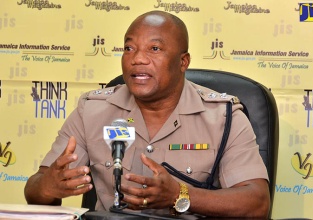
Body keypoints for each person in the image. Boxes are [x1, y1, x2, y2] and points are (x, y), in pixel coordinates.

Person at [24, 10, 270, 218]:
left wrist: (178, 195)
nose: (137, 59)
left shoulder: (223, 117)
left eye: (154, 48)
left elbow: (257, 202)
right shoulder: (92, 110)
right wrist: (48, 187)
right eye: (129, 48)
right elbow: (36, 188)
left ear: (183, 62)